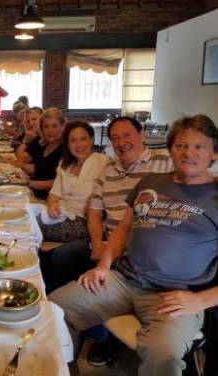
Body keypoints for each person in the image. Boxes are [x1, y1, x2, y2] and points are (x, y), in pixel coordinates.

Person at [50, 114, 218, 376]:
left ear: (214, 153)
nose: (188, 153)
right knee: (53, 311)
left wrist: (201, 300)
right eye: (181, 145)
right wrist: (104, 265)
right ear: (170, 149)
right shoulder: (151, 182)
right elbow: (124, 228)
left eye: (199, 146)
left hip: (174, 295)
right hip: (123, 279)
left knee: (161, 352)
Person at [44, 116, 174, 365]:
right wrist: (99, 243)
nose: (121, 142)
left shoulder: (164, 164)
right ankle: (75, 325)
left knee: (91, 270)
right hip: (109, 241)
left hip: (143, 250)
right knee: (63, 257)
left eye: (127, 135)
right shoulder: (110, 171)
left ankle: (102, 338)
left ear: (143, 135)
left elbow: (201, 173)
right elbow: (94, 212)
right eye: (115, 137)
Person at [37, 121, 109, 243]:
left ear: (91, 140)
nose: (78, 145)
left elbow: (108, 197)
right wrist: (52, 205)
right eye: (73, 140)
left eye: (83, 139)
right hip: (60, 215)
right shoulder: (65, 164)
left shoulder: (104, 163)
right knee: (27, 218)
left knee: (31, 225)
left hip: (85, 221)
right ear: (68, 144)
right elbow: (54, 194)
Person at [13, 107, 65, 199]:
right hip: (34, 194)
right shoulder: (44, 144)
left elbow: (59, 183)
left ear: (62, 126)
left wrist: (29, 182)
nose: (50, 130)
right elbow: (39, 169)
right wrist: (25, 176)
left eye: (54, 126)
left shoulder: (65, 149)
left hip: (49, 202)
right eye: (46, 126)